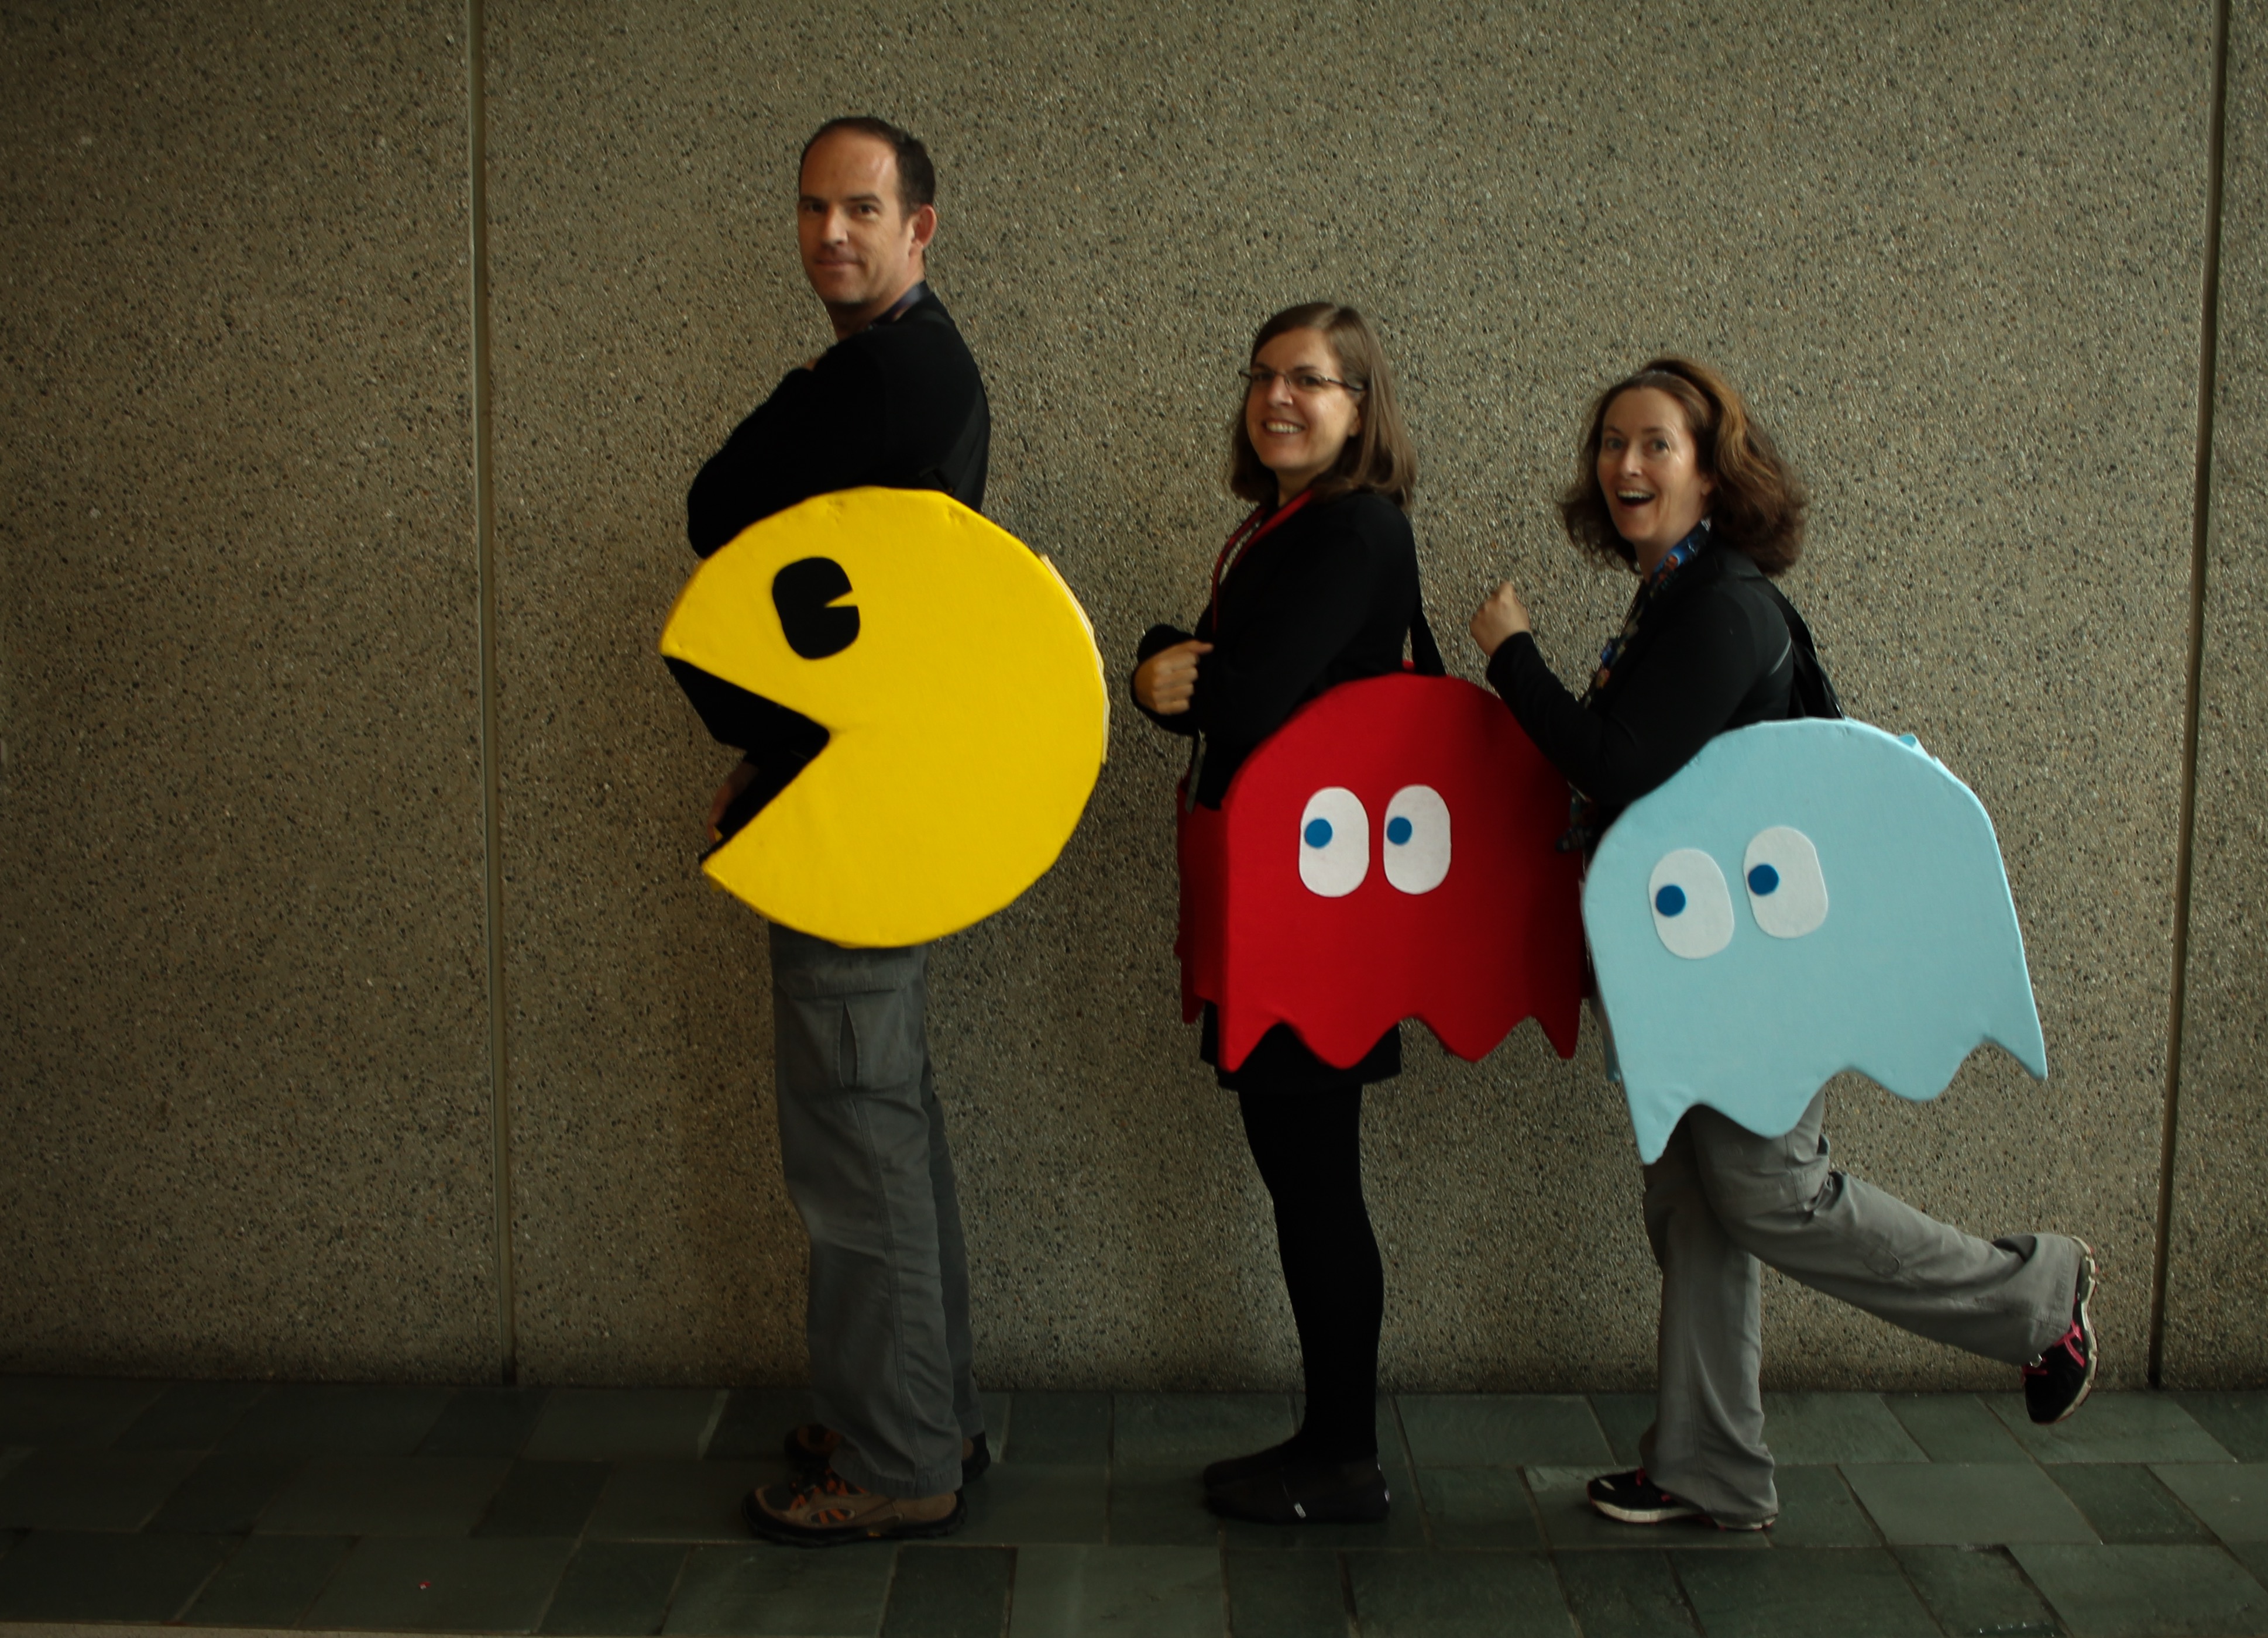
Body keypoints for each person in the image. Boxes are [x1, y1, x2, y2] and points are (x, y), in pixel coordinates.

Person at [1469, 356, 2098, 1532]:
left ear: (1711, 472)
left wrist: (1512, 656)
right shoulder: (1674, 598)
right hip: (1694, 965)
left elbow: (1618, 765)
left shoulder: (1725, 606)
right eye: (1612, 443)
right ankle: (1708, 1465)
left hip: (1754, 972)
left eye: (1656, 444)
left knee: (1771, 1195)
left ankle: (2036, 1298)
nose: (1625, 464)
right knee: (1695, 1206)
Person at [684, 115, 991, 1547]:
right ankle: (921, 1410)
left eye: (862, 210)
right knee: (882, 1120)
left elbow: (721, 508)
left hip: (859, 811)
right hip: (855, 787)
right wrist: (774, 759)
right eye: (813, 209)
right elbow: (840, 607)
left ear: (920, 228)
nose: (831, 234)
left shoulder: (891, 372)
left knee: (857, 1133)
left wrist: (787, 760)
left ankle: (899, 1450)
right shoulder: (904, 366)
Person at [1132, 302, 1426, 1525]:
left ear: (1360, 406)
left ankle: (1345, 1455)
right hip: (1283, 900)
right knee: (1300, 1173)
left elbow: (1246, 699)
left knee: (1315, 1181)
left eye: (1310, 379)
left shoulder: (1354, 529)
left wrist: (1161, 659)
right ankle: (1326, 1438)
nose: (1279, 398)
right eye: (1263, 375)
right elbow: (1227, 685)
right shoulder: (1284, 527)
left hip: (1322, 913)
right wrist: (1165, 670)